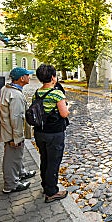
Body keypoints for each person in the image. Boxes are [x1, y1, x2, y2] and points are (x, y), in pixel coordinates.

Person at [34, 64, 70, 203]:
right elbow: (63, 113)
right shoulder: (56, 93)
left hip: (40, 132)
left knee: (45, 159)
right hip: (54, 133)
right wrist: (68, 108)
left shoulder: (37, 92)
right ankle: (51, 192)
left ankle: (45, 185)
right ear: (53, 77)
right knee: (53, 162)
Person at [0, 67, 35, 194]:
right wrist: (17, 138)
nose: (29, 77)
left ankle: (20, 173)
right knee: (11, 157)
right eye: (27, 75)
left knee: (16, 155)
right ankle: (11, 185)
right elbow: (16, 119)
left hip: (8, 129)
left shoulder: (7, 89)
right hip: (12, 133)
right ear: (21, 78)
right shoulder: (16, 95)